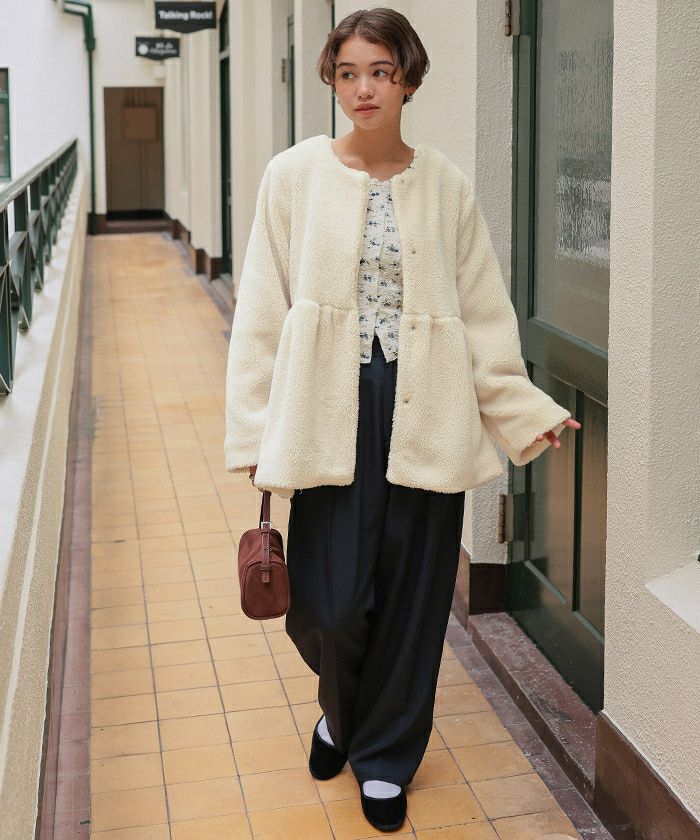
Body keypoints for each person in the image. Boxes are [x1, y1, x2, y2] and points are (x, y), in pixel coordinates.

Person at [225, 7, 581, 833]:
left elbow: (483, 312)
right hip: (327, 410)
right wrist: (254, 428)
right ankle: (342, 711)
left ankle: (384, 754)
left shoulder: (446, 185)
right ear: (332, 80)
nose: (363, 89)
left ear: (408, 80)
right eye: (348, 73)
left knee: (415, 595)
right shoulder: (293, 176)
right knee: (329, 603)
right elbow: (261, 311)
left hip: (428, 408)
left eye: (380, 72)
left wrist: (518, 408)